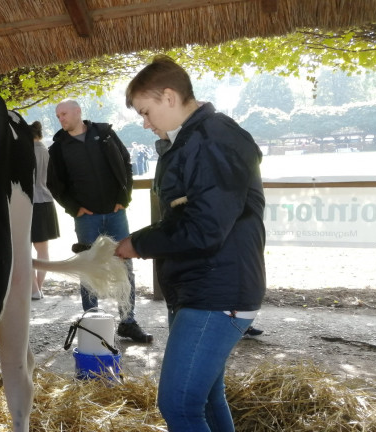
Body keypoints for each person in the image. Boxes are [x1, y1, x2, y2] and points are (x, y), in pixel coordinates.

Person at [115, 55, 266, 431]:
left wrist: (139, 243)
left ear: (169, 97)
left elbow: (205, 227)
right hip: (201, 287)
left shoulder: (213, 138)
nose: (146, 124)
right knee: (207, 397)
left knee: (179, 405)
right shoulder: (190, 139)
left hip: (218, 293)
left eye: (146, 112)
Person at [47, 99, 153, 343]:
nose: (60, 118)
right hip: (87, 218)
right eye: (58, 115)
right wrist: (74, 208)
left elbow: (126, 163)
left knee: (125, 265)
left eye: (64, 113)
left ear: (77, 112)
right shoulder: (59, 147)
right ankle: (91, 321)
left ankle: (128, 321)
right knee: (88, 268)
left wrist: (124, 197)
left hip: (116, 213)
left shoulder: (104, 134)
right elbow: (54, 184)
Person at [29, 121, 60, 300]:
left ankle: (34, 289)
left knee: (25, 249)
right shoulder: (48, 151)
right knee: (43, 250)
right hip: (47, 202)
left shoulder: (24, 152)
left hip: (29, 203)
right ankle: (39, 286)